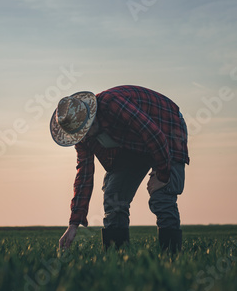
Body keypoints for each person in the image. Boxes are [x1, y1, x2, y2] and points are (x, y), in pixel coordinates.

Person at [50, 85, 189, 253]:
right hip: (134, 144)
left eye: (86, 130)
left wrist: (163, 174)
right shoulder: (83, 138)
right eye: (80, 134)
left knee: (162, 196)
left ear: (91, 117)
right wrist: (74, 223)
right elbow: (84, 177)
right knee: (113, 195)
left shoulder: (111, 104)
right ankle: (117, 256)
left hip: (167, 125)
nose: (84, 137)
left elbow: (154, 135)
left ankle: (172, 256)